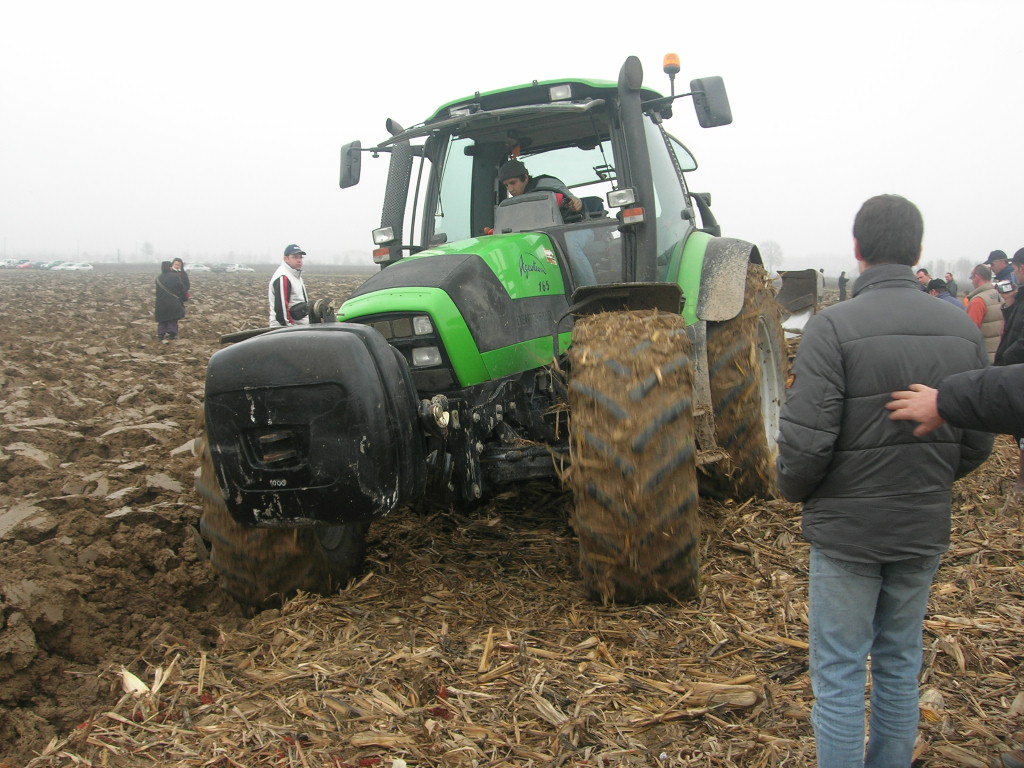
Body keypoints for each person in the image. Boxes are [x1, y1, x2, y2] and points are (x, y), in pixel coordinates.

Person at [776, 194, 993, 768]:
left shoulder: (832, 327)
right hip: (922, 527)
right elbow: (977, 442)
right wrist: (929, 478)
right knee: (900, 661)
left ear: (857, 249)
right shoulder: (960, 329)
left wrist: (798, 492)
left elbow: (804, 445)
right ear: (917, 251)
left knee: (841, 669)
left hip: (847, 534)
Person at [497, 158, 596, 286]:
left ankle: (590, 289)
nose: (510, 189)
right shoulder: (517, 204)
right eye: (506, 185)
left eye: (513, 183)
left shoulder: (546, 183)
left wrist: (576, 202)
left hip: (575, 228)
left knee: (569, 246)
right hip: (548, 236)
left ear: (525, 178)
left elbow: (573, 201)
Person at [965, 263, 1003, 362]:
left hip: (985, 358)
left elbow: (970, 333)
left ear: (977, 277)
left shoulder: (978, 301)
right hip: (1000, 354)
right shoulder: (999, 296)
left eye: (971, 277)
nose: (972, 281)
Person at [269, 244, 310, 328]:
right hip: (285, 330)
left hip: (299, 328)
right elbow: (281, 310)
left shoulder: (295, 275)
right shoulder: (283, 277)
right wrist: (289, 329)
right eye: (295, 257)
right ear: (286, 259)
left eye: (300, 257)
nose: (299, 260)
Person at [154, 260, 188, 342]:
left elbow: (157, 292)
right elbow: (182, 289)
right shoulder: (175, 277)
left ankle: (161, 335)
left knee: (162, 319)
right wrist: (184, 298)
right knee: (173, 319)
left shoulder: (158, 278)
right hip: (173, 301)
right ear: (170, 267)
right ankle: (172, 334)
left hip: (161, 302)